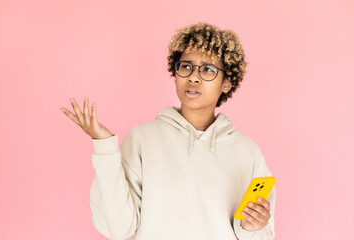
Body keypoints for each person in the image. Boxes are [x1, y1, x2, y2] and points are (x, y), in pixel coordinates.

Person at [60, 22, 276, 240]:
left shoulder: (248, 152)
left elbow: (261, 236)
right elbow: (118, 228)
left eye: (208, 69)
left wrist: (253, 227)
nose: (193, 77)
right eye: (185, 66)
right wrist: (104, 146)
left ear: (226, 84)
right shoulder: (142, 139)